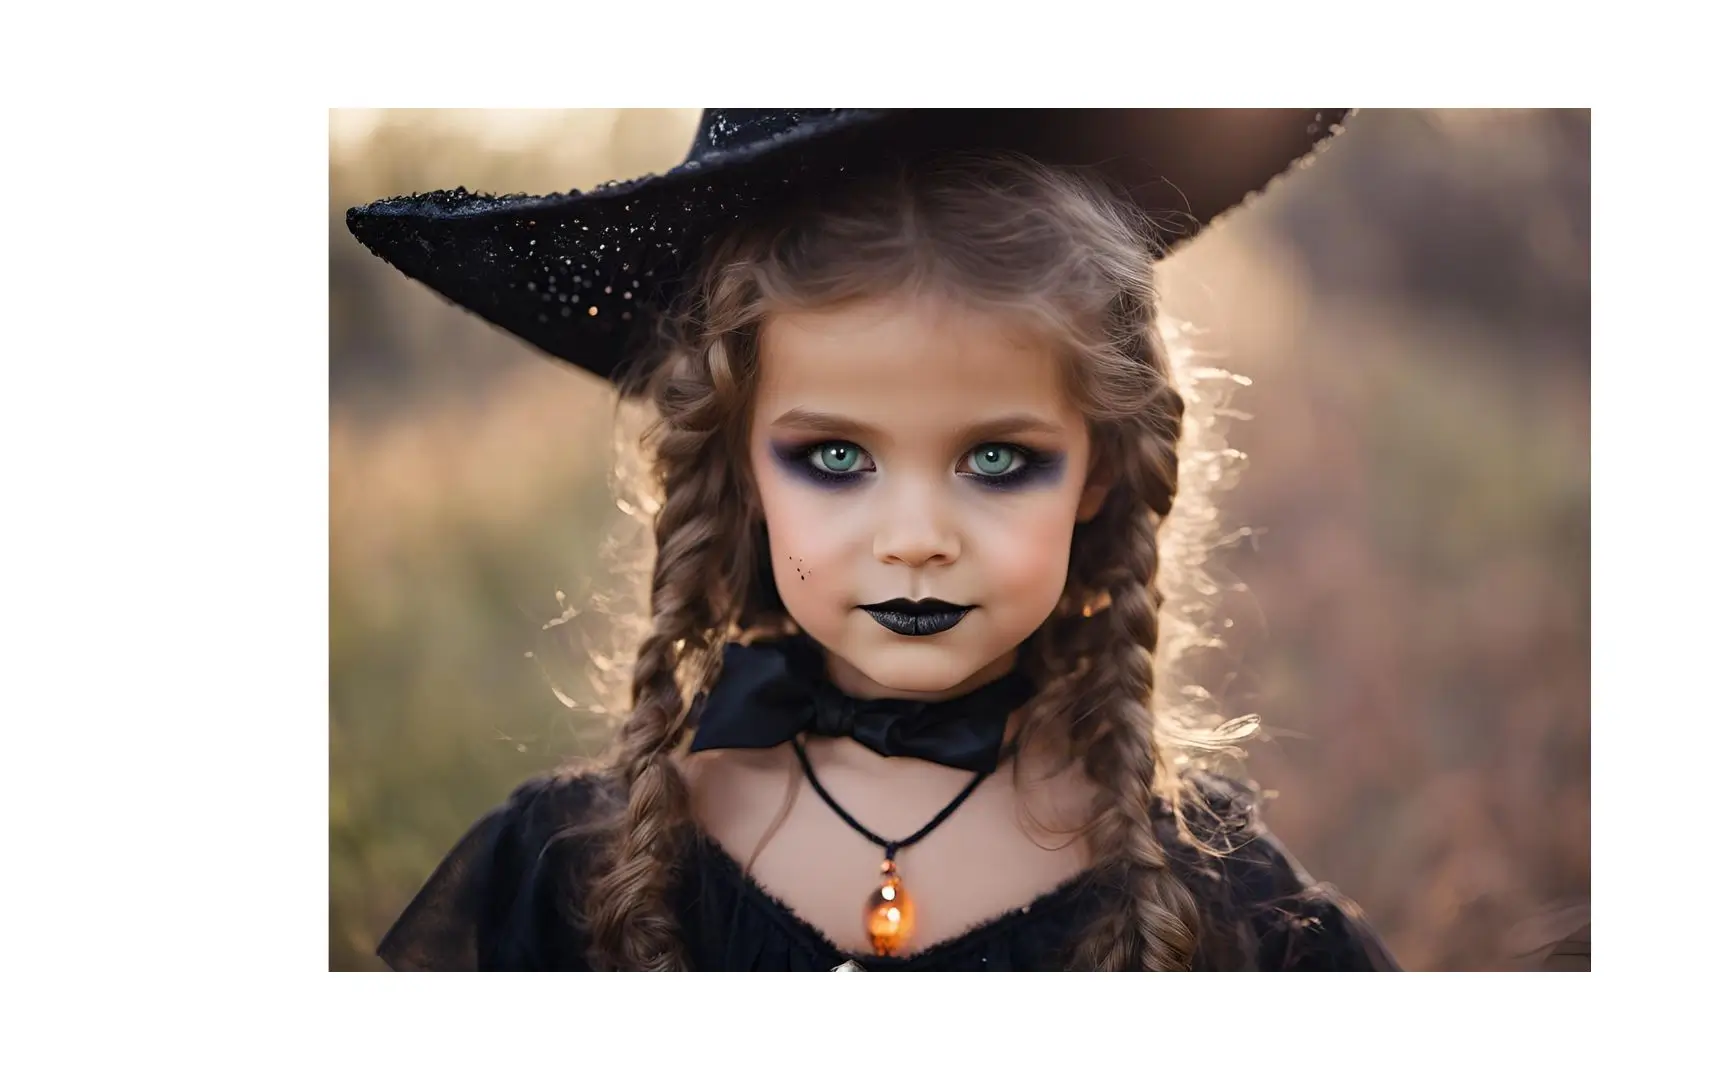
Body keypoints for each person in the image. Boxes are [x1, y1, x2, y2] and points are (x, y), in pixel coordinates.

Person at [346, 109, 1400, 971]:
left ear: (1100, 474)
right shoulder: (566, 872)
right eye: (836, 460)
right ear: (740, 471)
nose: (916, 540)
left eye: (998, 461)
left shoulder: (1235, 914)